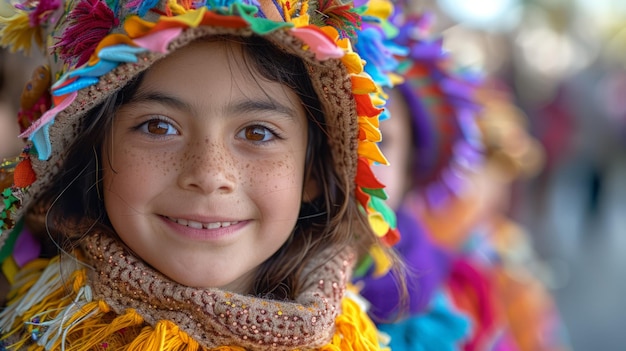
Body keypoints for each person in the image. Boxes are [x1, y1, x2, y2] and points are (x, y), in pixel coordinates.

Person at [0, 0, 403, 349]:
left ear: (312, 173)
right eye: (159, 127)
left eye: (257, 133)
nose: (209, 175)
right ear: (95, 153)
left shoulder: (356, 338)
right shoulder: (33, 328)